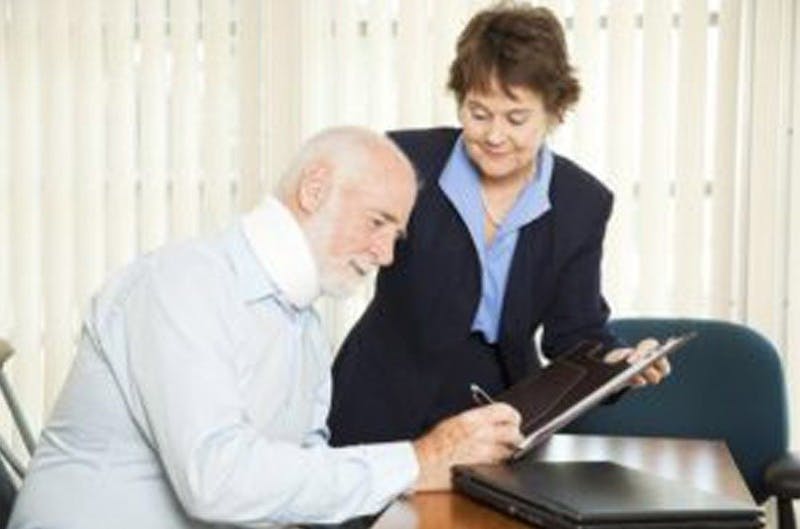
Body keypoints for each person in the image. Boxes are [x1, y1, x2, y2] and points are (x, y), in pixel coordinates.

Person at [8, 127, 523, 529]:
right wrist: (416, 461)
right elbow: (216, 481)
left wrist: (426, 468)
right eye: (376, 222)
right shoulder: (181, 284)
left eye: (396, 235)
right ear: (314, 189)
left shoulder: (303, 326)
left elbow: (297, 479)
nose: (386, 255)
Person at [328, 4, 670, 446]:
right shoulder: (405, 161)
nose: (494, 135)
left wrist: (619, 364)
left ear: (555, 112)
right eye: (478, 112)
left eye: (516, 118)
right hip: (379, 399)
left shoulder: (581, 202)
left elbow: (575, 331)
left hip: (496, 407)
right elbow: (338, 248)